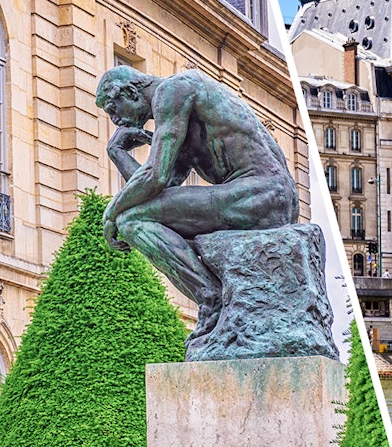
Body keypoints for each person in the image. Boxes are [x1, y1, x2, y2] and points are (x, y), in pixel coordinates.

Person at [97, 66, 299, 344]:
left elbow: (154, 177)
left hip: (261, 193)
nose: (116, 120)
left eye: (112, 108)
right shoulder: (177, 116)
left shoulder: (173, 91)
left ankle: (210, 296)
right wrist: (117, 153)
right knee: (135, 217)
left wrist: (111, 211)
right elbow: (159, 193)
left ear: (130, 92)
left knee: (130, 221)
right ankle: (212, 296)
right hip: (263, 197)